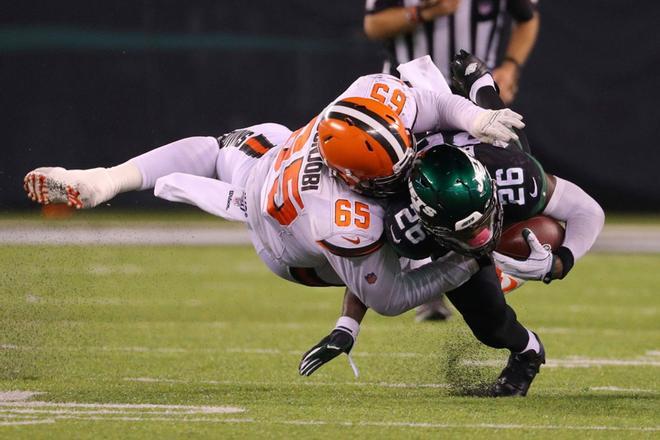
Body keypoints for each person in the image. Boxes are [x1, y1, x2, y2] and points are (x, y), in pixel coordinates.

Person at [23, 69, 524, 321]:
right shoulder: (338, 215)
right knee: (407, 240)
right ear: (353, 176)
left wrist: (475, 118)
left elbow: (428, 102)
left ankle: (106, 179)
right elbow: (388, 298)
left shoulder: (369, 98)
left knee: (221, 146)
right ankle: (483, 265)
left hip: (275, 155)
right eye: (380, 177)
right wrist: (469, 262)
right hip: (290, 247)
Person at [298, 52, 604, 397]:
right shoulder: (403, 219)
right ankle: (529, 349)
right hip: (441, 233)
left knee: (509, 137)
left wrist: (559, 262)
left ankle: (481, 87)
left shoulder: (511, 174)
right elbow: (367, 270)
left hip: (470, 145)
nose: (480, 238)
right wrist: (347, 326)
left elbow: (588, 211)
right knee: (491, 327)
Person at [364, 0, 540, 104]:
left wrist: (511, 66)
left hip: (474, 94)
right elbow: (373, 26)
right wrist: (422, 13)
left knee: (484, 164)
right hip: (406, 91)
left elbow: (528, 18)